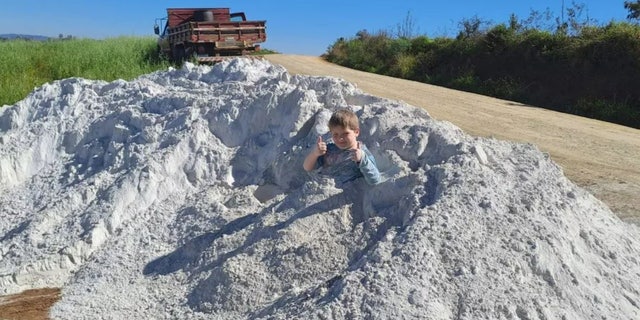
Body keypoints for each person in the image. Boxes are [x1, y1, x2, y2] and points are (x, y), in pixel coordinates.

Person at [303, 108, 381, 186]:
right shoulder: (330, 149)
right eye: (335, 134)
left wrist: (362, 159)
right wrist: (315, 154)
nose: (340, 138)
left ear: (356, 132)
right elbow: (307, 168)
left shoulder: (362, 153)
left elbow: (375, 180)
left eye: (345, 133)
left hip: (341, 194)